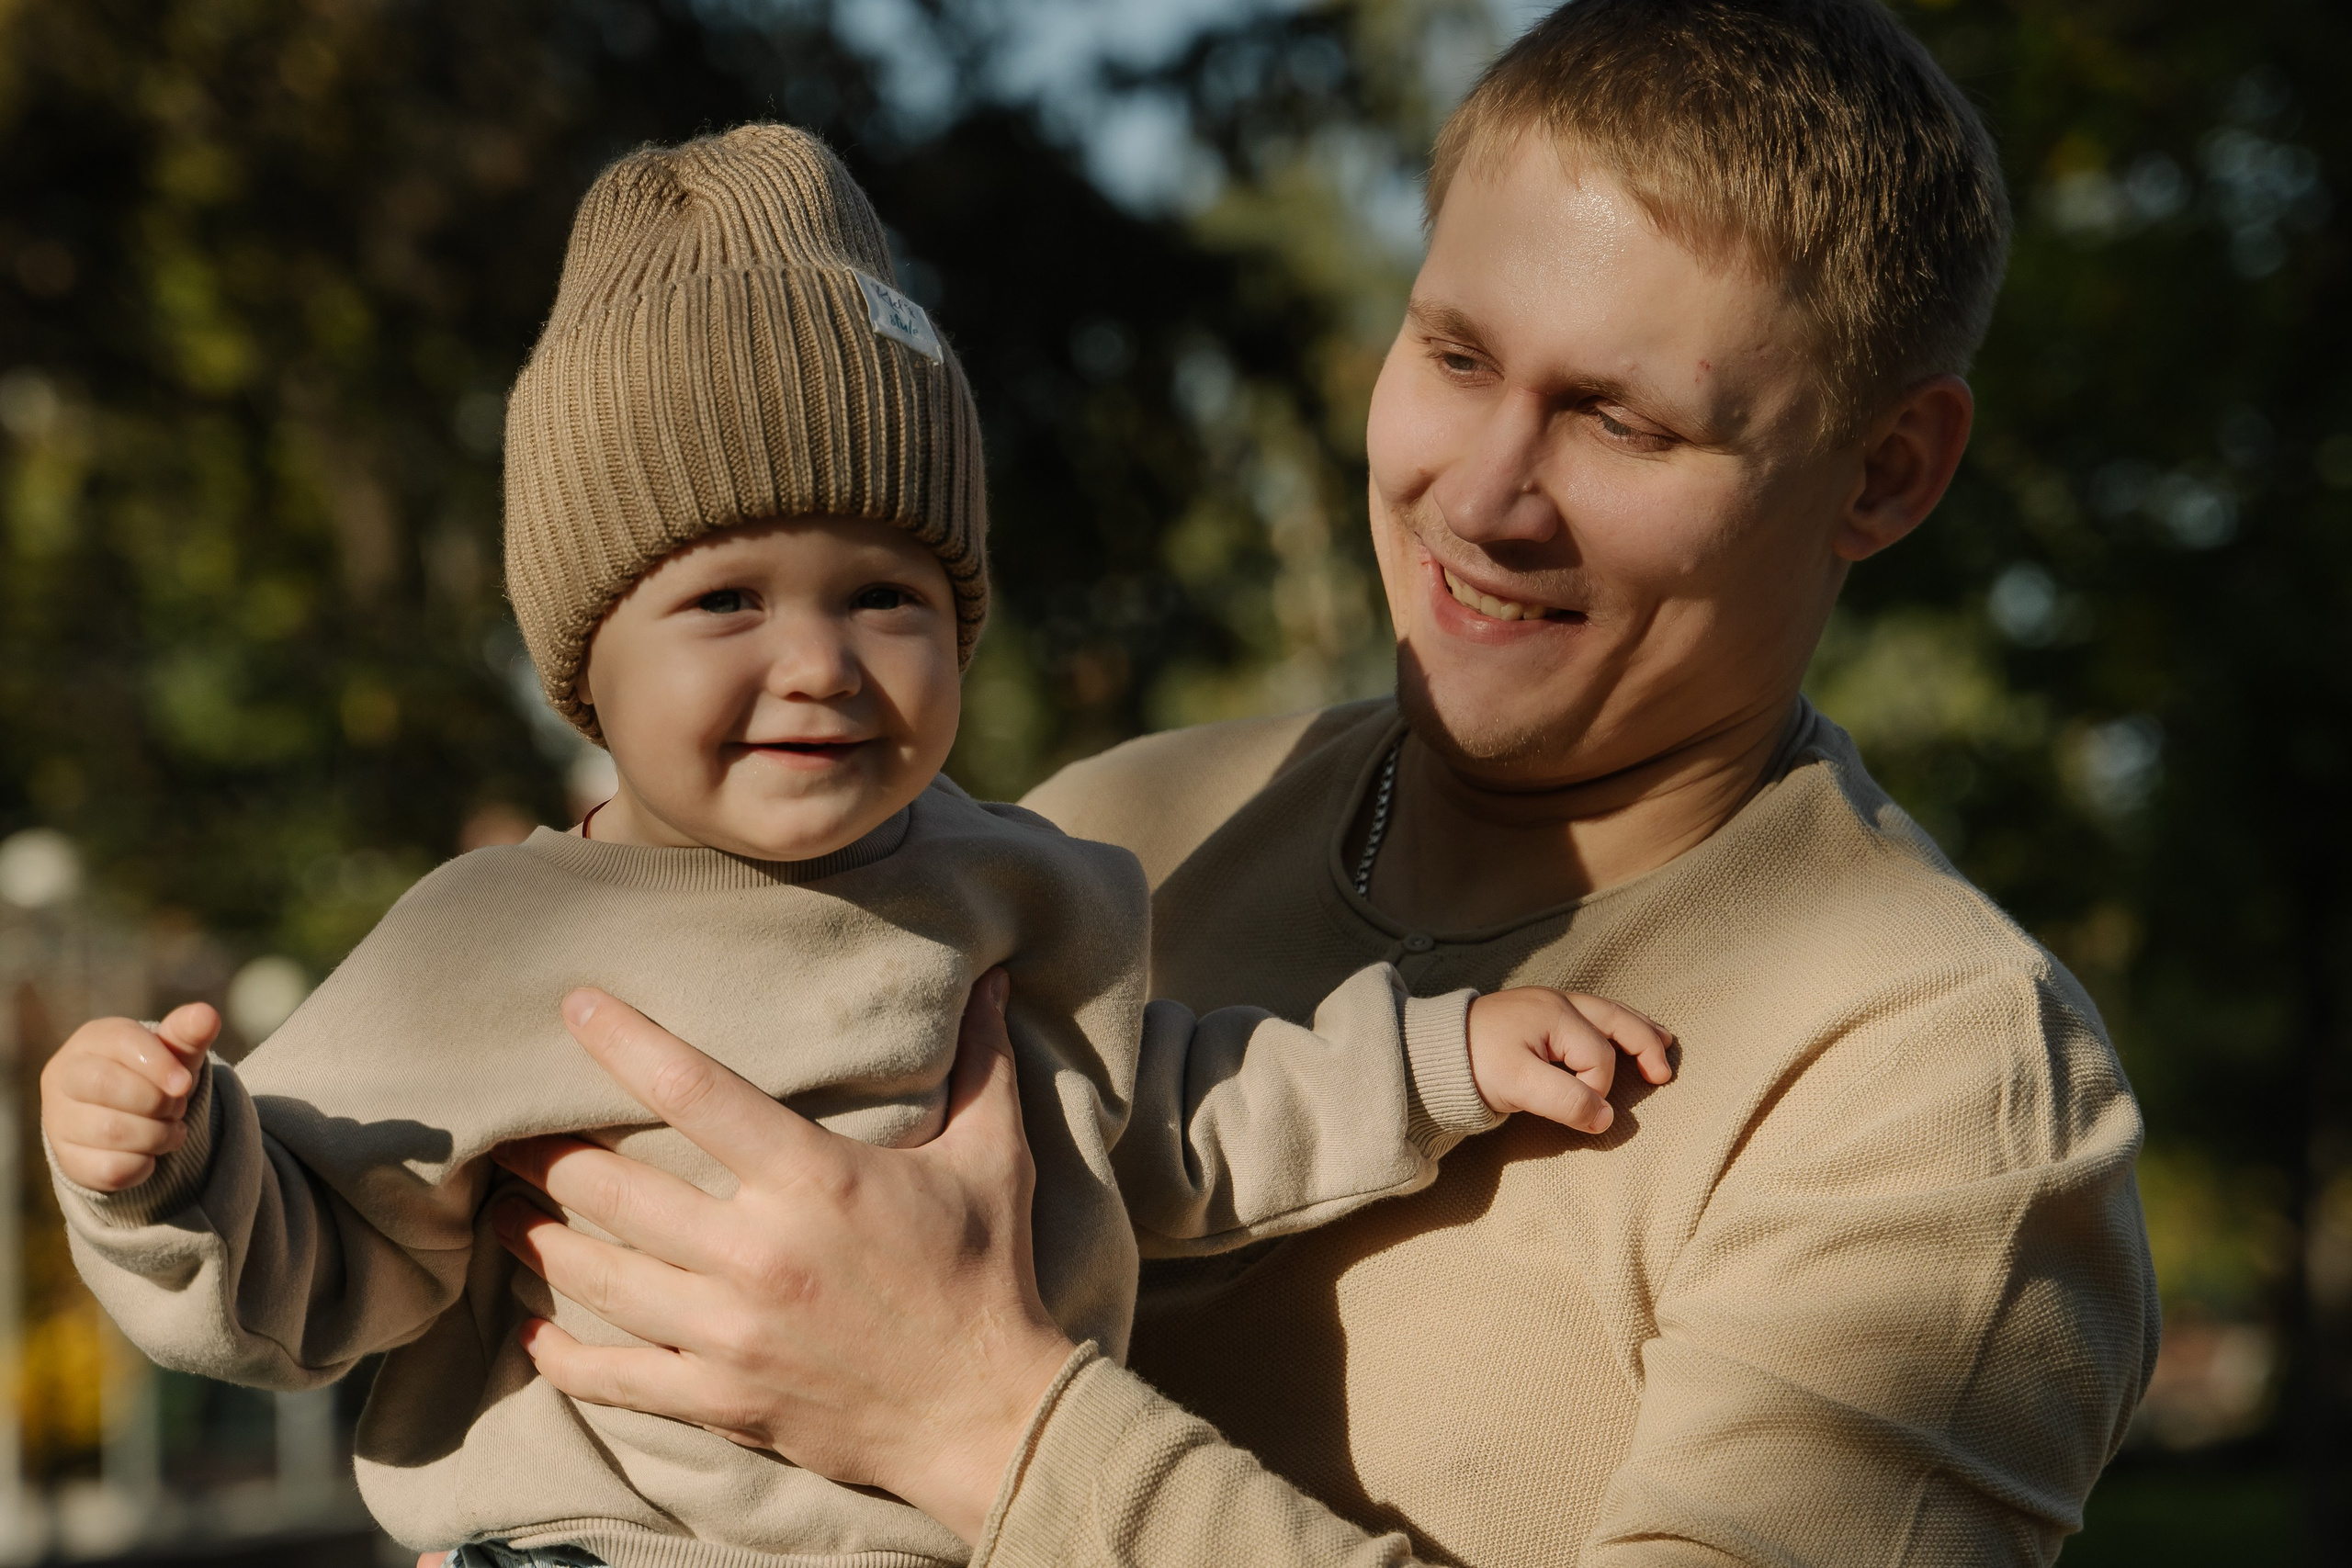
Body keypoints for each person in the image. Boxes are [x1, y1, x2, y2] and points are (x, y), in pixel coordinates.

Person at [442, 3, 2164, 1564]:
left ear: (1888, 471)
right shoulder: (1113, 833)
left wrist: (978, 1419)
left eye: (1624, 423)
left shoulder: (1937, 1090)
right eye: (1458, 357)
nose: (1483, 496)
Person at [37, 126, 1671, 1568]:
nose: (818, 662)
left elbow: (1174, 1110)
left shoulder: (1016, 888)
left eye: (886, 594)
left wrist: (1443, 1056)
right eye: (727, 601)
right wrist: (168, 1168)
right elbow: (324, 1253)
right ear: (585, 660)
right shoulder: (494, 940)